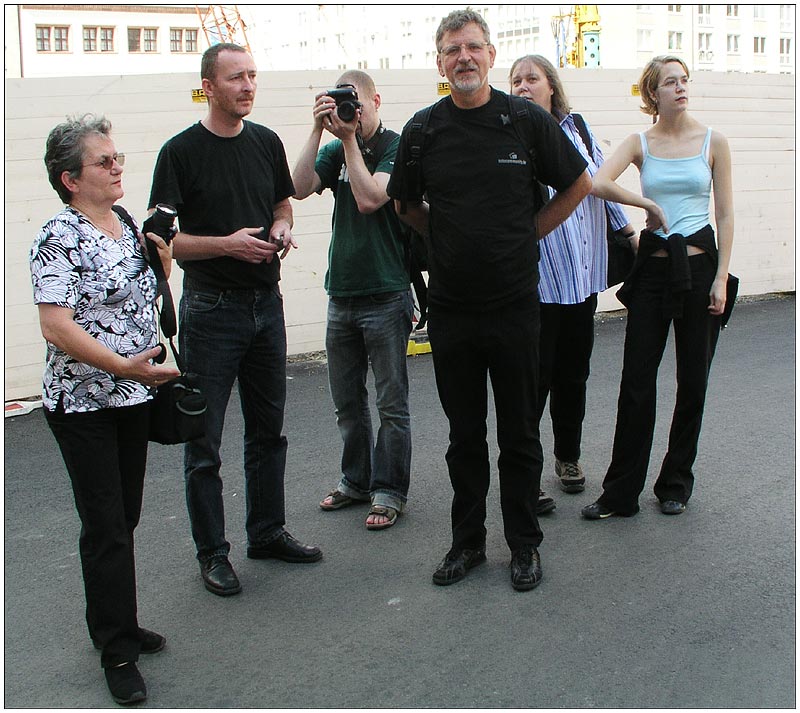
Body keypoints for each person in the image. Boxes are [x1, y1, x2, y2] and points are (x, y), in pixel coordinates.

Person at [387, 9, 592, 591]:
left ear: (490, 54)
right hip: (452, 311)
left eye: (473, 47)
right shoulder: (424, 130)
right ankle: (467, 543)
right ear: (439, 61)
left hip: (515, 308)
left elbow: (577, 182)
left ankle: (524, 544)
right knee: (464, 436)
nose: (464, 58)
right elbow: (405, 205)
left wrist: (527, 232)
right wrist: (450, 241)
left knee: (520, 434)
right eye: (452, 50)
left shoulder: (525, 120)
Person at [148, 42, 322, 598]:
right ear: (208, 85)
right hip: (211, 312)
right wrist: (226, 245)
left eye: (252, 76)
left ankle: (267, 532)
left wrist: (281, 227)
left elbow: (282, 202)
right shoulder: (179, 153)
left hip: (265, 307)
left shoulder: (266, 142)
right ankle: (212, 554)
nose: (248, 86)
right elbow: (164, 240)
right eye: (235, 78)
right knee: (205, 442)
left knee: (268, 433)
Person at [31, 114, 180, 705]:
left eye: (117, 158)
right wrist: (122, 366)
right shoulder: (57, 238)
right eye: (104, 161)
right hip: (85, 402)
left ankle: (115, 619)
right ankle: (117, 648)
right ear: (71, 178)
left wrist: (162, 260)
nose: (118, 167)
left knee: (126, 519)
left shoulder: (121, 222)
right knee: (106, 527)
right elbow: (55, 324)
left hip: (133, 395)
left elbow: (146, 291)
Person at [581, 55, 734, 520]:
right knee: (636, 382)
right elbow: (597, 183)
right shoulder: (639, 142)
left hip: (700, 272)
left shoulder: (713, 142)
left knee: (693, 382)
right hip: (653, 274)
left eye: (684, 80)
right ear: (653, 94)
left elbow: (725, 215)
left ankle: (675, 483)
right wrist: (645, 201)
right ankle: (620, 493)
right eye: (671, 82)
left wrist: (722, 278)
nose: (681, 87)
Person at [508, 55, 635, 507]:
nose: (524, 86)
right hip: (535, 280)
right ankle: (528, 474)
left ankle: (568, 457)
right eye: (516, 80)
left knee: (573, 375)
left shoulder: (577, 130)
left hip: (580, 276)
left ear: (551, 87)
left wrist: (628, 234)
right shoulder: (509, 133)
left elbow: (600, 183)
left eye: (532, 79)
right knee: (532, 381)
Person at [291, 70, 413, 530]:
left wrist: (348, 144)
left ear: (375, 100)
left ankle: (389, 490)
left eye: (355, 102)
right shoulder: (334, 145)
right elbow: (297, 186)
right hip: (340, 293)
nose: (350, 111)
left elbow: (370, 198)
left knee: (390, 403)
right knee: (347, 402)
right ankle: (355, 481)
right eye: (341, 103)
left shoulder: (395, 146)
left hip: (386, 293)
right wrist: (316, 129)